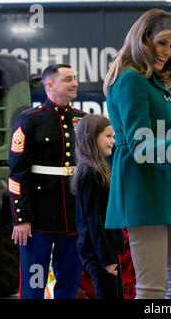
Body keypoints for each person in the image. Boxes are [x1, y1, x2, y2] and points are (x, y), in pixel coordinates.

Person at [102, 9, 171, 299]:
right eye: (161, 43)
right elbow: (141, 145)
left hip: (166, 190)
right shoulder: (131, 80)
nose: (167, 51)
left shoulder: (154, 82)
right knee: (152, 288)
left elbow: (160, 142)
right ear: (143, 39)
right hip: (143, 189)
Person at [9, 64, 86, 299]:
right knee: (35, 282)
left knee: (70, 281)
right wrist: (21, 219)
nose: (74, 83)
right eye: (68, 79)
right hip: (38, 219)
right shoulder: (29, 120)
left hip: (73, 217)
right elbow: (17, 174)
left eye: (75, 78)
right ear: (50, 85)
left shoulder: (83, 121)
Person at [72, 114, 126, 299]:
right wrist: (106, 259)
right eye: (108, 136)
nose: (113, 141)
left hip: (107, 250)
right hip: (100, 253)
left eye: (113, 136)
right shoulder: (90, 172)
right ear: (90, 137)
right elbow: (93, 220)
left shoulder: (100, 168)